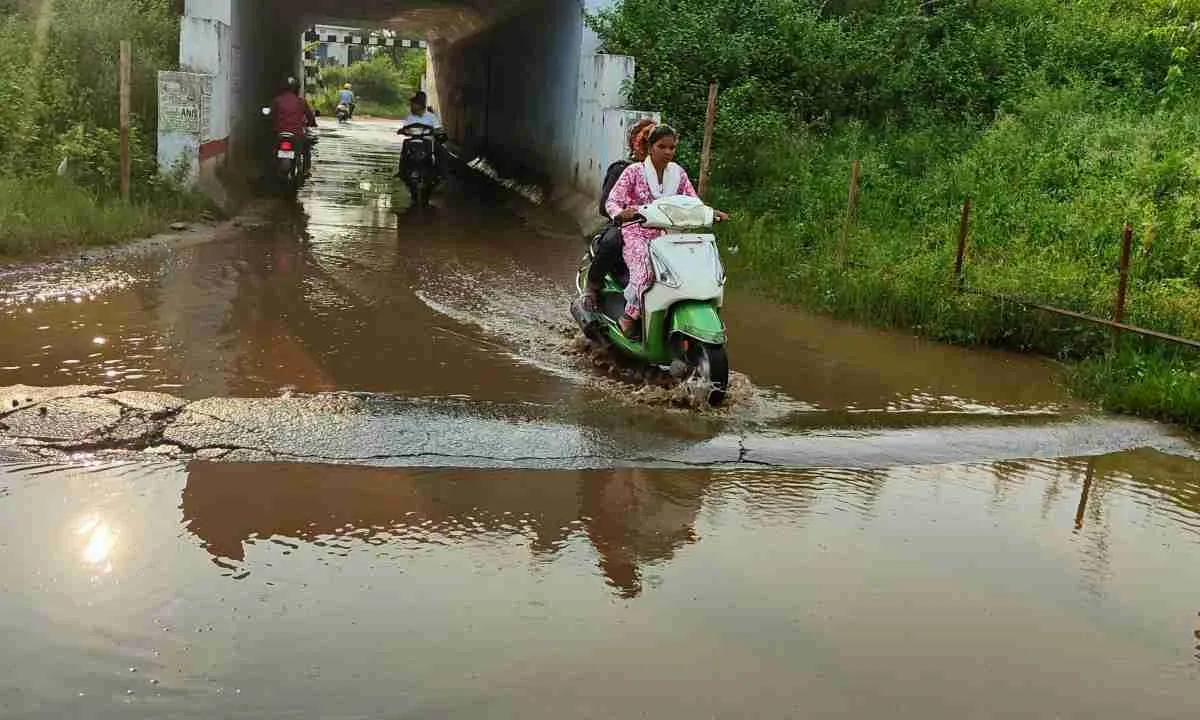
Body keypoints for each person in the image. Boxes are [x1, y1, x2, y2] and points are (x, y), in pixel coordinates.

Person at [603, 123, 728, 337]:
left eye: (672, 148)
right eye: (663, 147)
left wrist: (711, 212)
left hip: (671, 235)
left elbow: (692, 202)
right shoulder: (633, 172)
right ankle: (629, 315)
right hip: (638, 232)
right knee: (647, 271)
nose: (668, 152)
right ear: (651, 147)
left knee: (695, 269)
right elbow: (612, 201)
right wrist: (620, 214)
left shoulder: (678, 173)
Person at [583, 119, 659, 312]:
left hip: (657, 229)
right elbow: (605, 207)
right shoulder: (621, 169)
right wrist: (624, 214)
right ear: (636, 143)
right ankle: (592, 286)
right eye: (647, 143)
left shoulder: (667, 173)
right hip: (625, 227)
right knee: (613, 241)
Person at [271, 76, 317, 173]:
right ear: (297, 88)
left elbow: (271, 116)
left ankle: (271, 166)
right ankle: (306, 170)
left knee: (271, 147)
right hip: (296, 134)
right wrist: (312, 123)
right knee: (306, 149)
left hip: (279, 133)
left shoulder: (277, 100)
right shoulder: (301, 101)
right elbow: (310, 116)